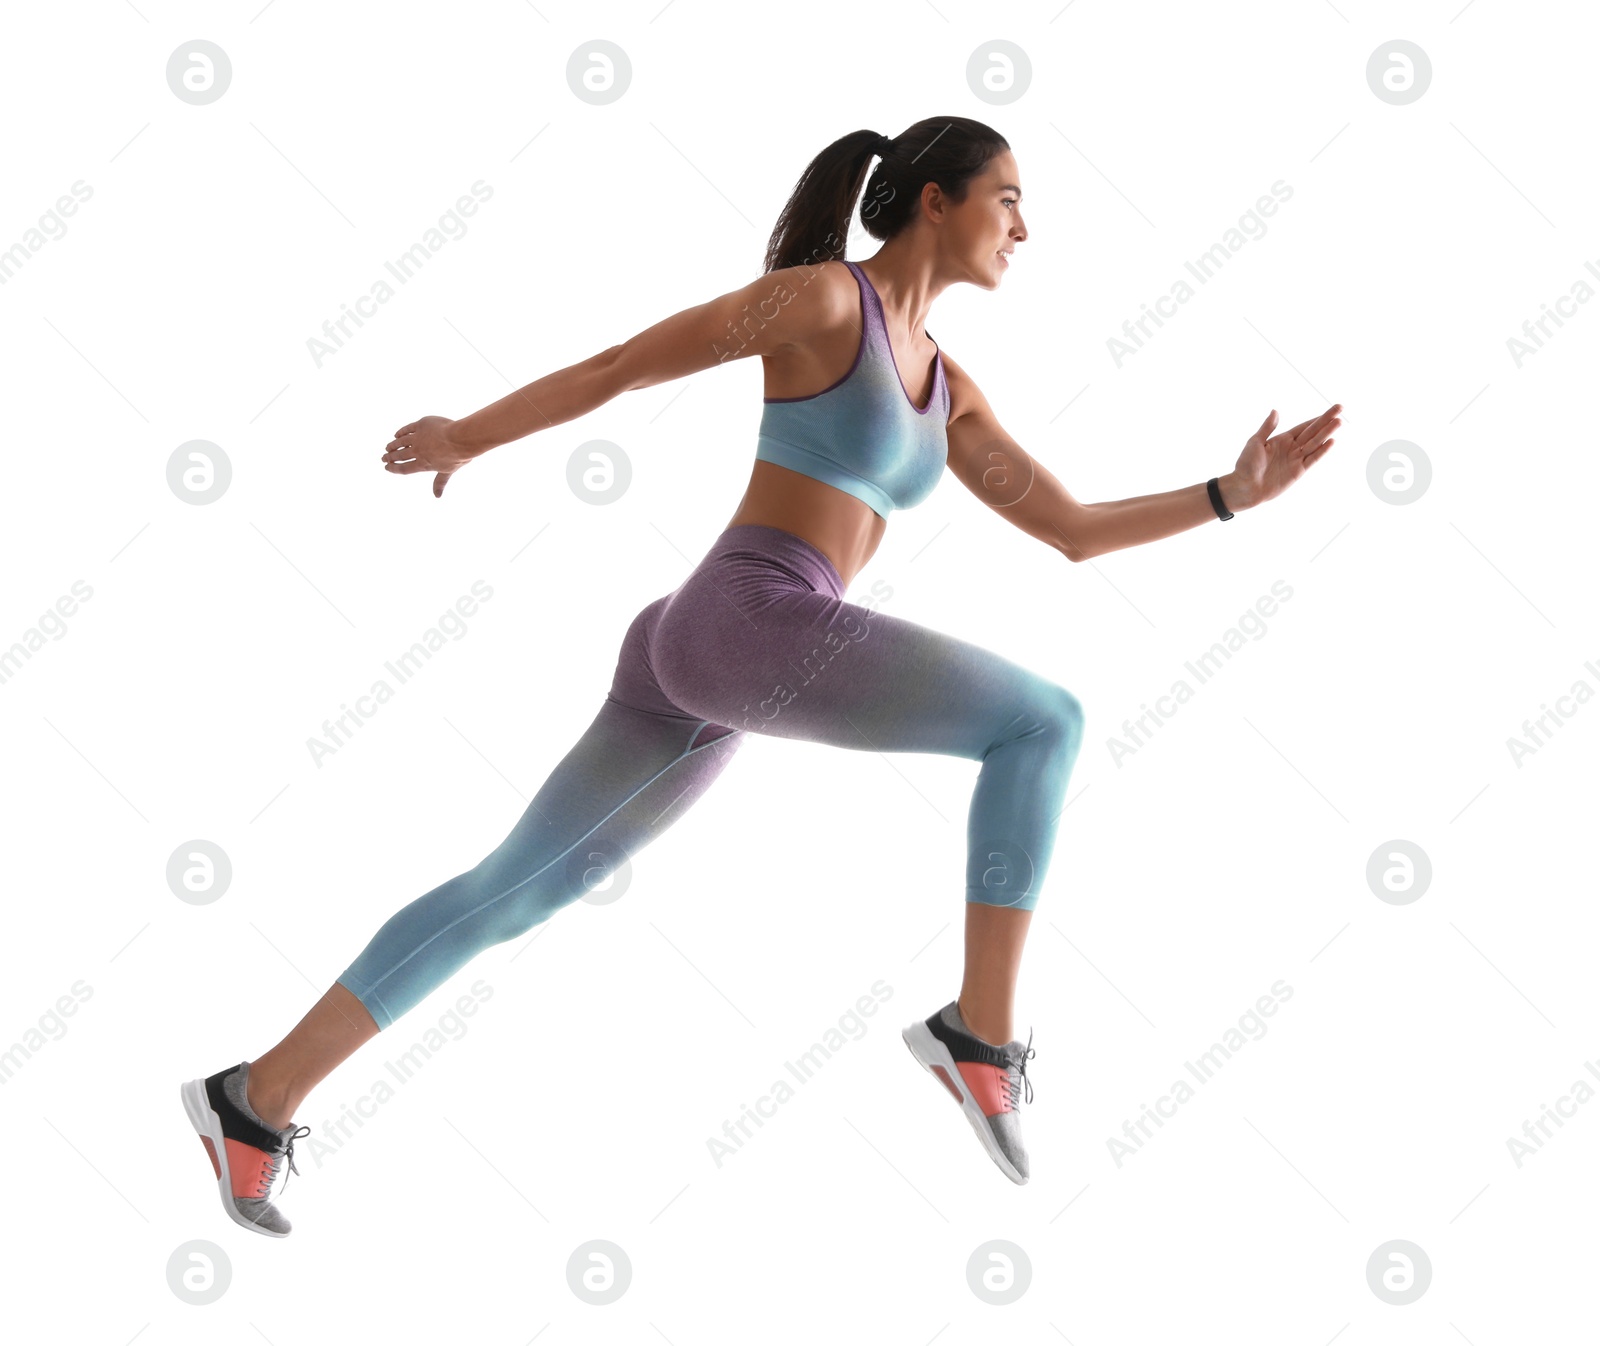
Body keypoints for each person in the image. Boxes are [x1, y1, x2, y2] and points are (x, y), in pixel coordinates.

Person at [180, 116, 1340, 1234]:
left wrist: (1231, 493)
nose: (1024, 229)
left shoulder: (951, 384)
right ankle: (979, 1036)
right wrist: (465, 436)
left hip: (713, 645)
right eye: (1009, 200)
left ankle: (254, 1098)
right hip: (748, 619)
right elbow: (627, 362)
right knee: (1044, 721)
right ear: (935, 201)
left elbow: (1074, 527)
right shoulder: (825, 300)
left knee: (515, 888)